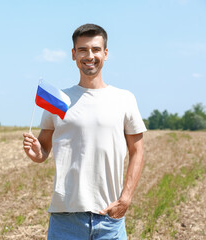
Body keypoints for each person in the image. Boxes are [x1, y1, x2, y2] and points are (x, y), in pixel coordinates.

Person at [23, 23, 146, 240]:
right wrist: (37, 153)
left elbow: (138, 152)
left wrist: (125, 199)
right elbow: (43, 149)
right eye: (83, 49)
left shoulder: (124, 99)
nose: (90, 55)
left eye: (96, 49)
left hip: (110, 219)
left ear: (105, 54)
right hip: (65, 221)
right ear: (73, 54)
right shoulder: (58, 100)